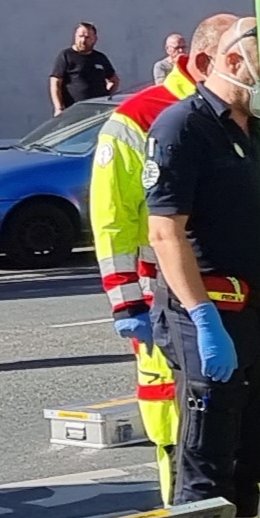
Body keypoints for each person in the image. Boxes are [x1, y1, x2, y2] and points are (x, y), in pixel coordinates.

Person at [143, 15, 260, 518]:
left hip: (255, 312)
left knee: (251, 458)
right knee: (206, 464)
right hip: (206, 315)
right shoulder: (182, 127)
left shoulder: (258, 131)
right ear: (227, 62)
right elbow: (165, 232)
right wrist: (202, 318)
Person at [89, 60, 200, 493]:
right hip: (162, 295)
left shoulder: (242, 109)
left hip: (235, 291)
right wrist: (126, 302)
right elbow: (112, 219)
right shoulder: (138, 117)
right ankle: (182, 510)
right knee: (170, 416)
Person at [50, 21, 118, 113]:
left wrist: (107, 96)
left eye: (87, 37)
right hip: (74, 111)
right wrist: (58, 108)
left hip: (98, 111)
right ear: (75, 36)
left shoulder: (100, 57)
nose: (83, 40)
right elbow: (55, 82)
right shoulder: (66, 56)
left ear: (95, 39)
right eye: (80, 36)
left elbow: (114, 80)